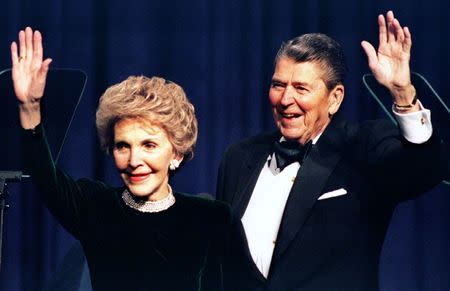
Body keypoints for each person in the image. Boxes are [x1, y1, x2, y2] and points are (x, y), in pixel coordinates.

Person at [216, 11, 447, 290]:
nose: (286, 99)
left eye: (301, 88)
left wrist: (402, 94)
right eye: (278, 85)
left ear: (334, 98)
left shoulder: (362, 148)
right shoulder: (239, 157)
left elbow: (425, 170)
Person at [11, 27, 230, 291]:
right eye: (122, 146)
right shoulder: (97, 208)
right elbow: (46, 176)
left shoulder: (210, 218)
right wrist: (30, 107)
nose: (133, 159)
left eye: (148, 145)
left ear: (177, 153)